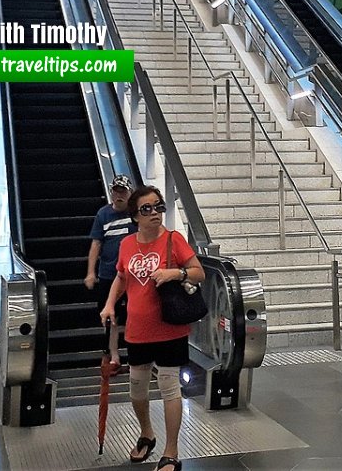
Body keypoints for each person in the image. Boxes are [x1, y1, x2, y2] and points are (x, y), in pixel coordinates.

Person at [100, 186, 204, 470]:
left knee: (169, 387)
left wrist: (176, 272)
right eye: (146, 209)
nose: (154, 213)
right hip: (137, 329)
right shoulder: (127, 245)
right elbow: (121, 278)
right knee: (137, 390)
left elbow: (199, 272)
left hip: (169, 327)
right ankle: (147, 432)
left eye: (158, 207)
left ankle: (171, 452)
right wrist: (110, 304)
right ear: (135, 216)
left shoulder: (174, 240)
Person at [86, 175, 137, 373]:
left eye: (122, 191)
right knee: (111, 317)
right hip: (109, 274)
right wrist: (91, 272)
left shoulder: (135, 214)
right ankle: (114, 355)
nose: (119, 195)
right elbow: (96, 243)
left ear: (129, 193)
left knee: (134, 312)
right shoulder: (103, 215)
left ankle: (135, 353)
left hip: (133, 274)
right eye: (116, 191)